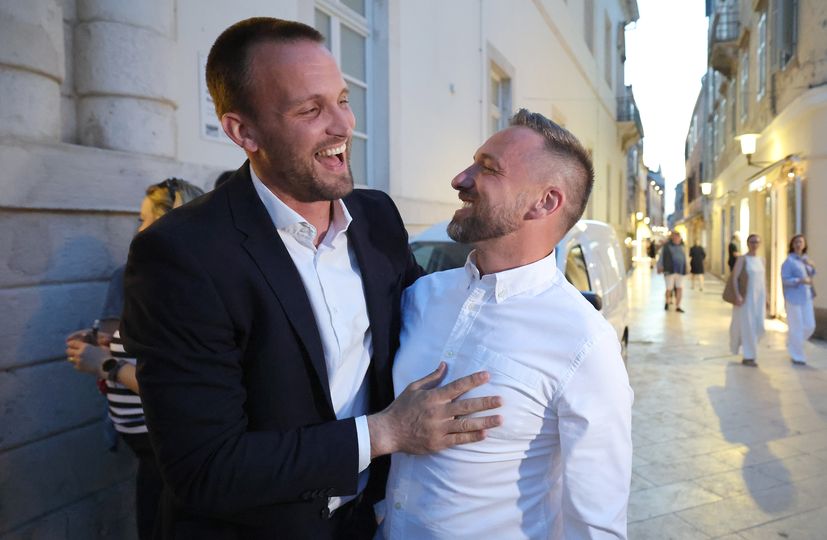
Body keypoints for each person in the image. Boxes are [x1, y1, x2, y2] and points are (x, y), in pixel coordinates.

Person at [120, 17, 502, 539]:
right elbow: (205, 469)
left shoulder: (376, 217)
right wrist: (385, 433)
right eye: (310, 109)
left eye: (343, 99)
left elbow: (428, 315)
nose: (343, 125)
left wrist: (540, 307)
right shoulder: (181, 254)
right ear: (243, 132)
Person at [382, 110, 633, 539]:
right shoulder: (421, 296)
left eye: (488, 168)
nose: (460, 179)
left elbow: (596, 524)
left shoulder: (585, 342)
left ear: (545, 202)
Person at [65, 178, 205, 540]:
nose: (138, 229)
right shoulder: (157, 281)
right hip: (151, 451)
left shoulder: (178, 289)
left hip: (168, 449)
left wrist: (105, 364)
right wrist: (99, 342)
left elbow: (173, 385)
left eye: (144, 219)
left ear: (168, 223)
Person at [729, 233, 766, 366]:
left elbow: (763, 280)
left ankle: (750, 352)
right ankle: (749, 356)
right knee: (748, 326)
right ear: (748, 244)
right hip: (746, 298)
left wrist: (766, 298)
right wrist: (737, 295)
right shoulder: (742, 259)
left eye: (757, 242)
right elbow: (734, 278)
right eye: (752, 242)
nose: (754, 244)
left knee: (758, 324)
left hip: (759, 298)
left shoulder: (762, 260)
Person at [781, 234, 816, 365]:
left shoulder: (805, 259)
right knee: (796, 326)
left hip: (807, 296)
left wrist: (811, 265)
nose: (798, 244)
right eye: (796, 242)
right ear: (792, 245)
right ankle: (797, 356)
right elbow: (785, 280)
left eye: (800, 242)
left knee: (810, 325)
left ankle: (792, 342)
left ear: (804, 244)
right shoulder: (789, 261)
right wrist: (799, 280)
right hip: (793, 297)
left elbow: (812, 273)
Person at [657, 230, 688, 312]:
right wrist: (659, 266)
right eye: (675, 237)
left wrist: (688, 267)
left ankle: (678, 306)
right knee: (669, 288)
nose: (676, 238)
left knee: (679, 288)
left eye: (678, 237)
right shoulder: (667, 246)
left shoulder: (683, 246)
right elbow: (661, 257)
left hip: (680, 270)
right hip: (669, 270)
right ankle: (667, 302)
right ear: (672, 238)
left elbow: (685, 257)